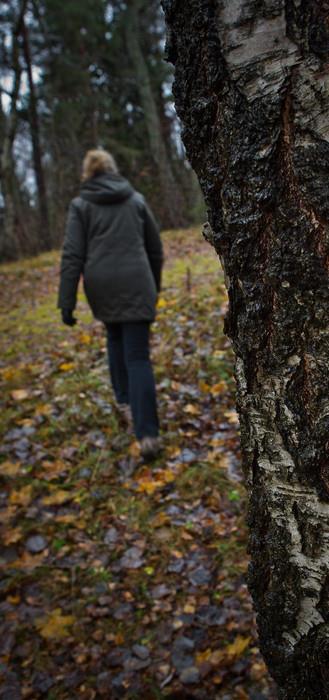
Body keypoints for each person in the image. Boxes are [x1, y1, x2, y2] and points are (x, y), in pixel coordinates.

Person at [58, 149, 163, 459]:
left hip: (102, 286)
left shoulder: (80, 206)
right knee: (138, 357)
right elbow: (155, 251)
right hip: (136, 282)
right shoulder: (136, 200)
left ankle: (125, 403)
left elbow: (72, 255)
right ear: (113, 170)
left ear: (87, 174)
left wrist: (67, 302)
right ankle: (147, 436)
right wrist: (152, 290)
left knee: (115, 336)